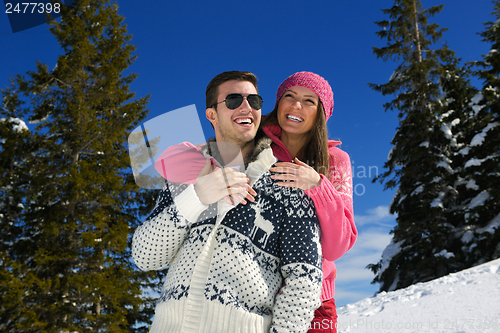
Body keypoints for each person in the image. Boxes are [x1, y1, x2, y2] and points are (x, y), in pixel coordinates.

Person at [155, 71, 357, 333]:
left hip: (312, 299)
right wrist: (213, 168)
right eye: (289, 96)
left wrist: (319, 187)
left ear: (322, 113)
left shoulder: (335, 161)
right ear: (277, 102)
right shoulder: (256, 143)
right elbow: (167, 162)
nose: (297, 106)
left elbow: (338, 246)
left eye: (310, 101)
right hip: (250, 296)